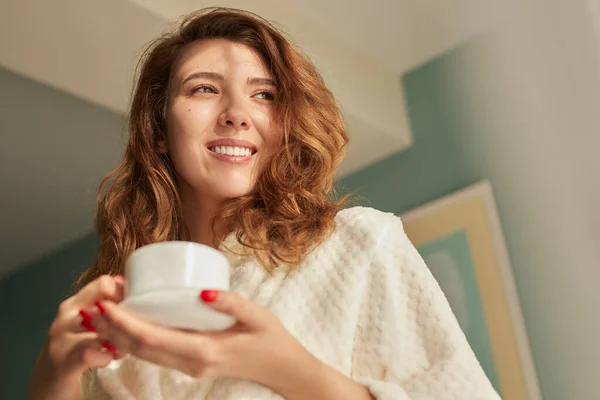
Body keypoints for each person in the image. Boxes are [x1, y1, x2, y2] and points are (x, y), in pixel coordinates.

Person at [28, 7, 501, 400]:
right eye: (204, 89)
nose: (237, 114)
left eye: (264, 95)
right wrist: (57, 373)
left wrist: (287, 368)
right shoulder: (124, 319)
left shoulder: (359, 244)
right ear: (159, 131)